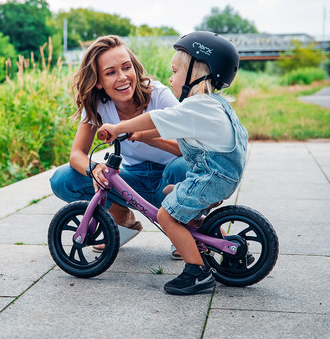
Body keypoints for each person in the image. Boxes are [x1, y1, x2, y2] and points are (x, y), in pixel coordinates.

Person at [98, 31, 249, 295]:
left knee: (165, 215)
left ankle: (197, 271)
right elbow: (163, 126)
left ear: (196, 74)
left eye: (175, 71)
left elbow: (156, 119)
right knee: (171, 193)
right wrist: (139, 135)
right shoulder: (212, 104)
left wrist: (118, 127)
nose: (170, 78)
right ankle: (221, 245)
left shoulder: (196, 107)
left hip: (212, 176)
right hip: (217, 174)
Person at [49, 35, 189, 251]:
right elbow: (76, 154)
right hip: (134, 181)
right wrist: (94, 169)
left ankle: (184, 230)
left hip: (171, 178)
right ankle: (121, 217)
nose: (123, 77)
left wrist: (143, 134)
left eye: (126, 67)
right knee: (63, 179)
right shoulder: (98, 104)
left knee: (183, 166)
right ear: (98, 81)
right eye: (111, 72)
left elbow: (187, 148)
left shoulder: (159, 95)